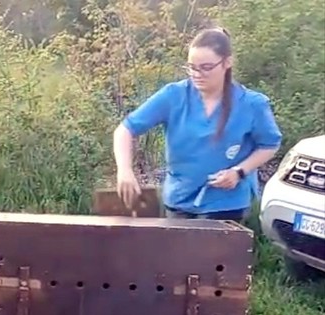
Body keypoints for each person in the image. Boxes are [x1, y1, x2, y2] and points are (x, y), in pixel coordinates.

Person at [113, 26, 283, 221]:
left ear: (227, 62)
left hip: (226, 204)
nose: (197, 74)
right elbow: (125, 130)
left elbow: (269, 145)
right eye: (192, 67)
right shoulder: (173, 95)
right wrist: (125, 170)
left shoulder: (251, 104)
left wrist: (238, 172)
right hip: (179, 200)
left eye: (206, 67)